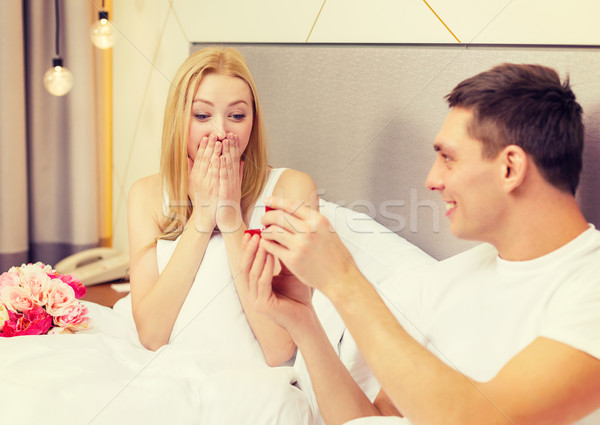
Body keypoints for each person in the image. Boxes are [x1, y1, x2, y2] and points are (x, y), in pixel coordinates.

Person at [242, 63, 600, 424]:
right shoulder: (450, 281)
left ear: (510, 168)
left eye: (448, 158)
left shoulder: (589, 287)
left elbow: (486, 419)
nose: (432, 179)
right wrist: (304, 323)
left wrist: (342, 279)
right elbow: (377, 417)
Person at [127, 46, 317, 365]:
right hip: (167, 373)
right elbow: (151, 335)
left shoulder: (291, 189)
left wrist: (230, 218)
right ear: (179, 120)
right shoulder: (145, 194)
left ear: (253, 122)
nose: (220, 132)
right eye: (202, 115)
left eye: (237, 116)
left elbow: (279, 348)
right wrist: (202, 217)